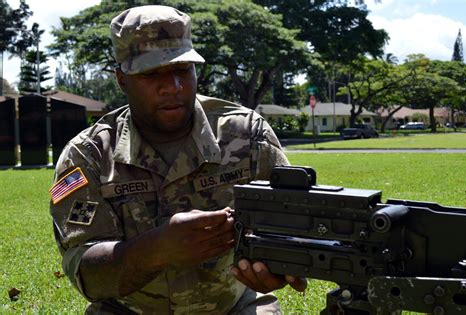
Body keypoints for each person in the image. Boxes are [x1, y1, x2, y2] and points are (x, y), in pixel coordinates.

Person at [49, 5, 306, 314]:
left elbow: (290, 222)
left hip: (235, 307)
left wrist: (279, 265)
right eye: (152, 74)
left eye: (183, 70)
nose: (173, 87)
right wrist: (155, 251)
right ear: (121, 79)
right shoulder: (89, 155)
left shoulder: (247, 134)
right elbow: (86, 272)